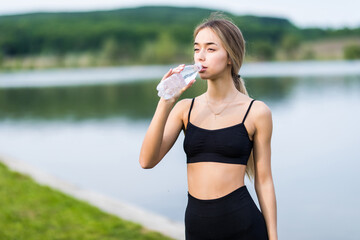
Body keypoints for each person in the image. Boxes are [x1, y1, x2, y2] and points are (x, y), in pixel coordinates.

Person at [139, 14, 277, 240]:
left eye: (210, 49)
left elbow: (264, 181)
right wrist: (165, 102)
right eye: (197, 49)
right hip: (197, 228)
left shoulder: (257, 112)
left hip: (244, 226)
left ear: (230, 57)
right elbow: (146, 161)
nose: (200, 57)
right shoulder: (185, 109)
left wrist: (273, 237)